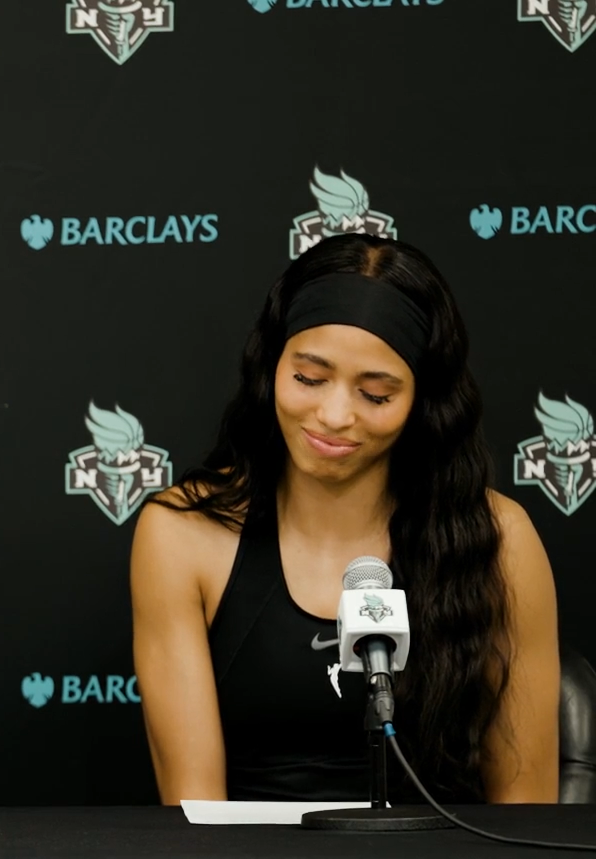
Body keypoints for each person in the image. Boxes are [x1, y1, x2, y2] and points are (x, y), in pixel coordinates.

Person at [132, 234, 559, 804]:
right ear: (272, 367)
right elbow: (195, 813)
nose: (334, 416)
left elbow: (526, 817)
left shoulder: (500, 539)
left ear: (423, 402)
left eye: (376, 395)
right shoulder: (182, 532)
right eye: (308, 378)